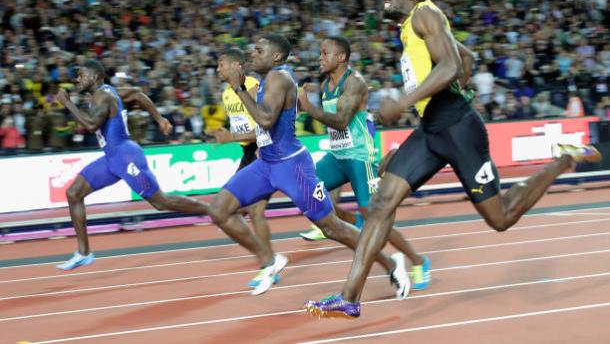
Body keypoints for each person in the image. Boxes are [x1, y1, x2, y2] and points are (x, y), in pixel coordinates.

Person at [305, 0, 602, 318]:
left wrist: (404, 101)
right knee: (381, 205)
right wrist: (455, 90)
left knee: (500, 217)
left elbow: (451, 64)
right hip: (432, 128)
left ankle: (562, 160)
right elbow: (467, 59)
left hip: (460, 129)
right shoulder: (409, 28)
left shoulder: (426, 14)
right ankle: (349, 296)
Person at [208, 34, 410, 297]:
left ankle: (391, 263)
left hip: (292, 167)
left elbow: (266, 120)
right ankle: (270, 261)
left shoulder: (279, 78)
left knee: (332, 227)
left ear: (276, 56)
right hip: (266, 164)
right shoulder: (265, 81)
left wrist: (239, 88)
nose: (253, 53)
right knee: (219, 210)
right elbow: (263, 127)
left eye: (259, 49)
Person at [297, 36, 430, 290]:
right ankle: (354, 223)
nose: (320, 58)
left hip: (359, 157)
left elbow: (341, 121)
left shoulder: (355, 84)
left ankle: (418, 260)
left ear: (341, 58)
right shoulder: (326, 84)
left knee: (375, 218)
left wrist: (308, 108)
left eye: (325, 54)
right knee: (309, 193)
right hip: (337, 156)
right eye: (320, 53)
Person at [55, 60, 210, 270]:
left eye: (81, 75)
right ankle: (84, 253)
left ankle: (213, 209)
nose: (77, 79)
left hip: (126, 157)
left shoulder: (103, 96)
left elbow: (91, 125)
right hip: (111, 160)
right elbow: (136, 94)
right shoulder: (108, 91)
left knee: (161, 202)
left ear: (93, 77)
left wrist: (67, 103)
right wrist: (159, 118)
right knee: (74, 193)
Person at [211, 48, 279, 288]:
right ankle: (269, 262)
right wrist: (228, 136)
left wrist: (230, 137)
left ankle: (268, 265)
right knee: (234, 209)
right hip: (248, 153)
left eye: (221, 64)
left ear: (237, 66)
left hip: (266, 151)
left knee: (255, 211)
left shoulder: (252, 86)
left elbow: (265, 127)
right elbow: (241, 128)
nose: (217, 69)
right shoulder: (227, 94)